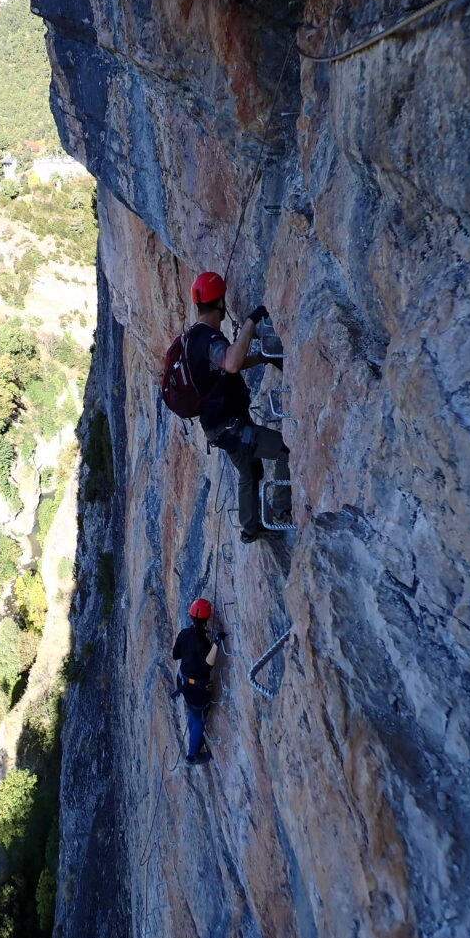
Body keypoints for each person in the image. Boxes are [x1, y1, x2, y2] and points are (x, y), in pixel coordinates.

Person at [186, 271, 291, 543]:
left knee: (249, 471)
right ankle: (281, 511)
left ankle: (250, 528)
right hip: (230, 427)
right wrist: (250, 321)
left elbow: (228, 363)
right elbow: (231, 363)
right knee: (284, 449)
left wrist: (261, 358)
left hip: (219, 428)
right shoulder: (209, 339)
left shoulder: (194, 338)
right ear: (220, 303)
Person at [172, 598, 224, 765]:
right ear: (206, 619)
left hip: (183, 683)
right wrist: (216, 644)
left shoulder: (183, 634)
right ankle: (191, 756)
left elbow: (176, 655)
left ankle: (195, 741)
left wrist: (190, 655)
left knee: (193, 714)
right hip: (197, 691)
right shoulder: (203, 642)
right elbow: (207, 666)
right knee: (199, 719)